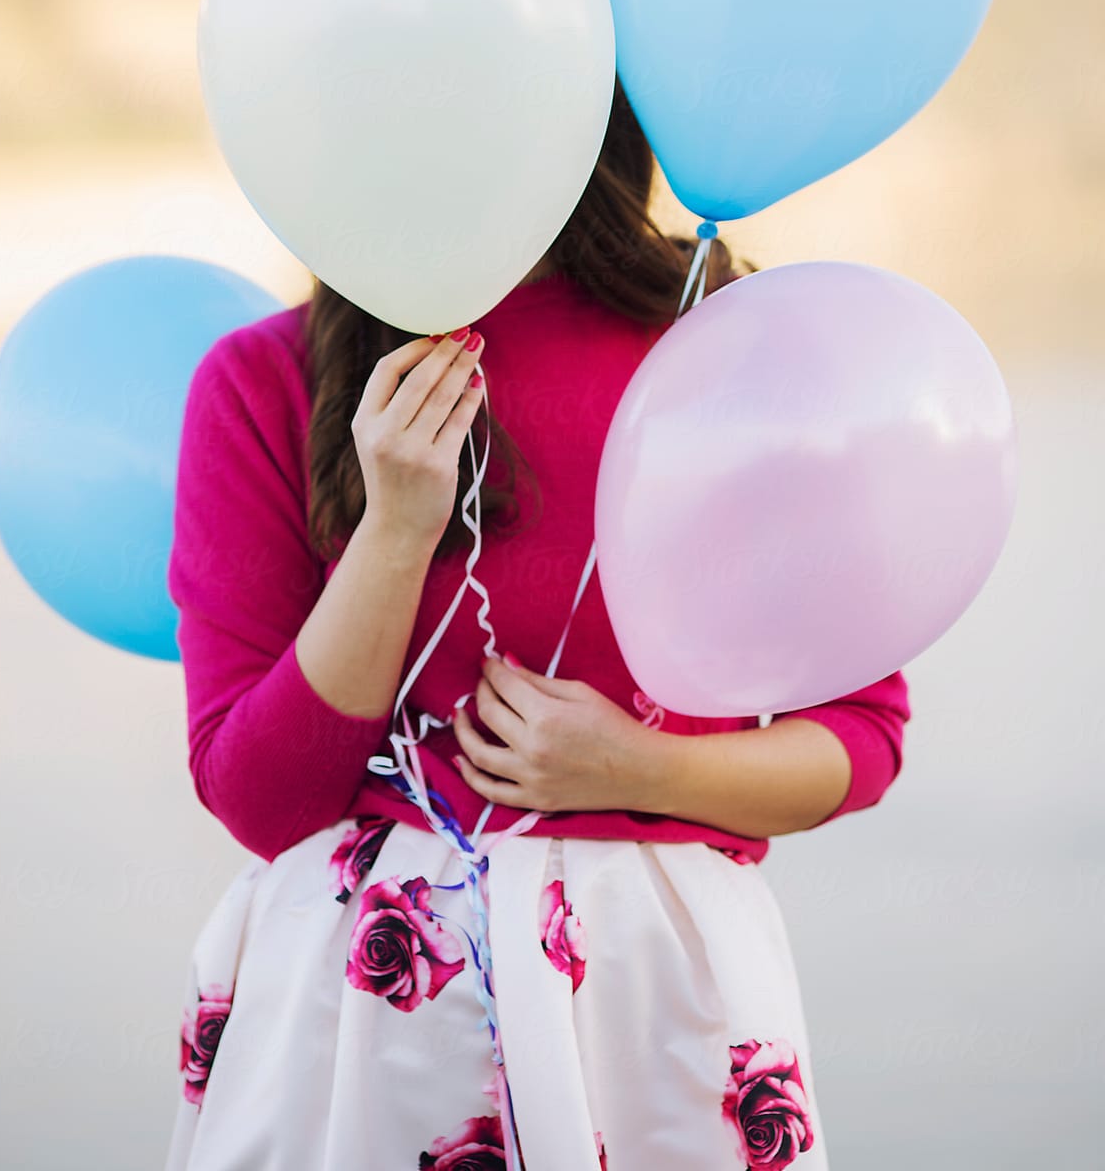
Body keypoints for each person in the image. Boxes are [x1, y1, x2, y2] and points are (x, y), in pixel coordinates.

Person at [162, 78, 910, 1171]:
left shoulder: (732, 350)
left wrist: (635, 767)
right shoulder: (263, 381)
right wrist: (396, 529)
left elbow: (862, 738)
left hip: (653, 1012)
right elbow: (259, 796)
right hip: (363, 1028)